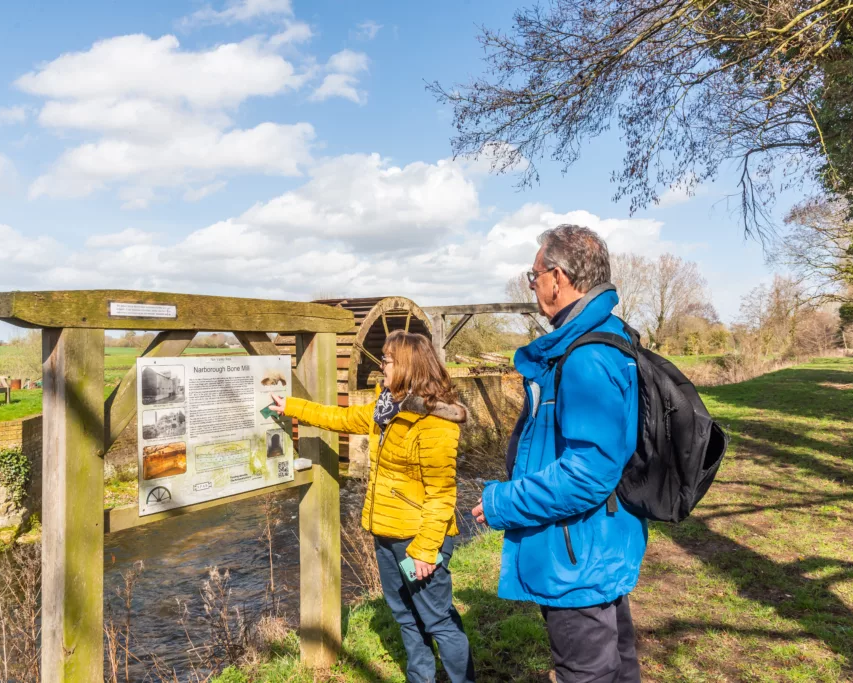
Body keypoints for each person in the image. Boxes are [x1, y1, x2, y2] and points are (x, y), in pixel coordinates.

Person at [472, 224, 645, 683]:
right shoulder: (609, 339)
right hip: (598, 542)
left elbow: (588, 474)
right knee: (617, 665)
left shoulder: (585, 358)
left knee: (586, 672)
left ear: (559, 276)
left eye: (534, 277)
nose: (533, 287)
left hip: (576, 557)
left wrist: (501, 502)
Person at [269, 329, 475, 683]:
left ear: (409, 365)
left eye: (388, 360)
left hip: (417, 541)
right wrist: (293, 407)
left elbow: (442, 494)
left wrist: (425, 551)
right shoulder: (388, 408)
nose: (382, 367)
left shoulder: (436, 422)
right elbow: (343, 418)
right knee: (406, 617)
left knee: (438, 619)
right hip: (386, 533)